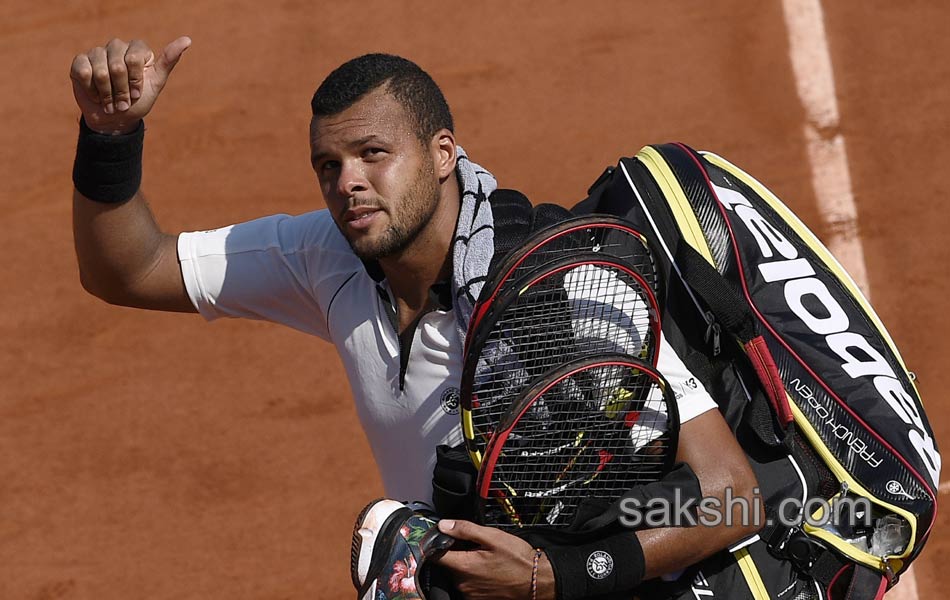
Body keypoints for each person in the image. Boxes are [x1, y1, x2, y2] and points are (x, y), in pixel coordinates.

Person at [70, 36, 762, 599]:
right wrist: (110, 138)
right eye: (328, 165)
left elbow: (735, 495)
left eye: (373, 154)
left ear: (441, 154)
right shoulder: (326, 252)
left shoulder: (562, 289)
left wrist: (554, 577)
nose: (348, 185)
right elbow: (129, 270)